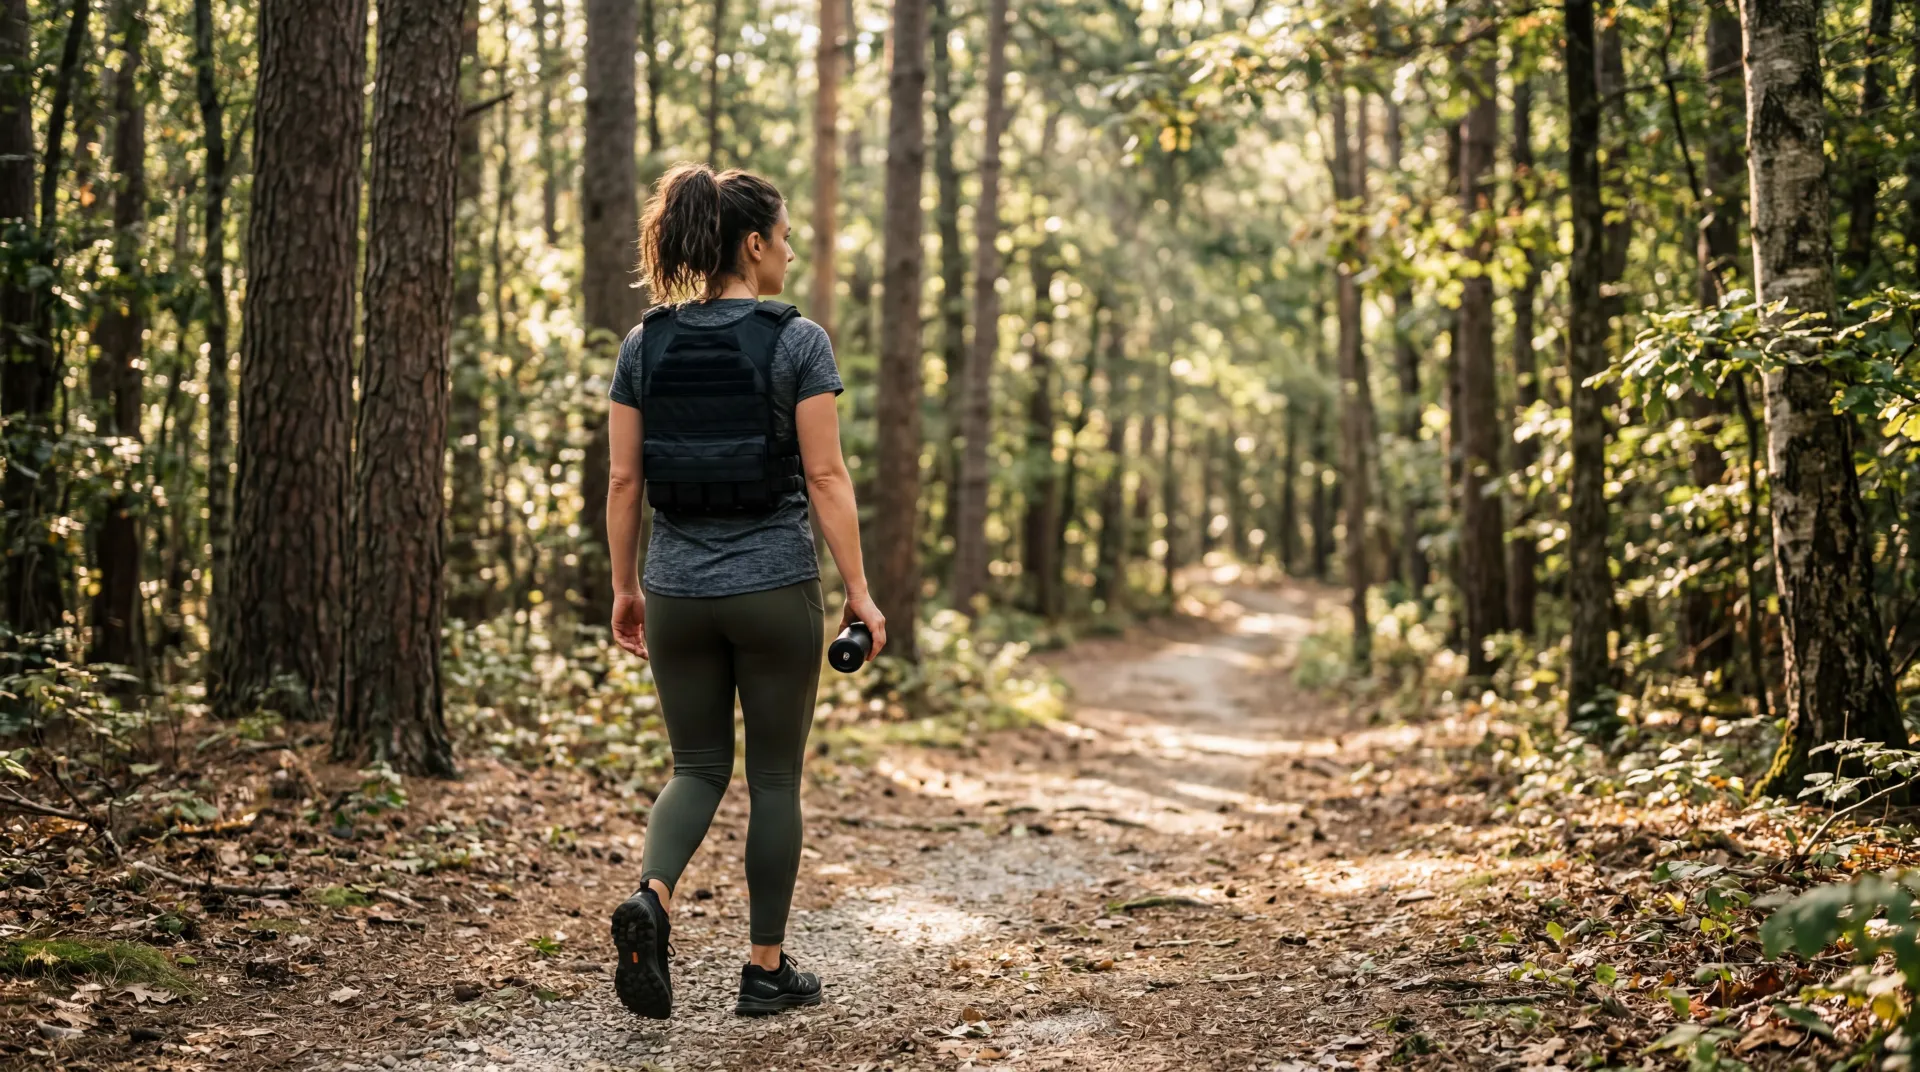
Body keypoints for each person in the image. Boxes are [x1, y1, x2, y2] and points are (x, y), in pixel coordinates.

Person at [602, 162, 886, 1019]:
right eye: (787, 238)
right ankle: (765, 969)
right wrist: (861, 595)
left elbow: (622, 482)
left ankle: (652, 898)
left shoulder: (643, 342)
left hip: (677, 591)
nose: (792, 255)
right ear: (754, 244)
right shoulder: (798, 341)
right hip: (774, 589)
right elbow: (827, 476)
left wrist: (626, 588)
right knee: (773, 780)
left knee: (695, 766)